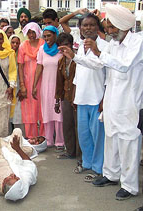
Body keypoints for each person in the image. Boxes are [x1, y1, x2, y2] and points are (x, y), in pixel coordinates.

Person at [68, 4, 143, 200]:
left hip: (129, 103)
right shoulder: (114, 44)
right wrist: (75, 57)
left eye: (110, 27)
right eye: (108, 27)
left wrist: (100, 53)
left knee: (128, 143)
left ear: (121, 25)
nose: (107, 31)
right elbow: (98, 64)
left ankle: (129, 185)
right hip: (111, 100)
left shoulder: (137, 42)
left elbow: (124, 66)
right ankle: (111, 174)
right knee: (111, 138)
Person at [58, 13, 106, 182]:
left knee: (97, 135)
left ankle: (99, 168)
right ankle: (87, 162)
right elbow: (79, 75)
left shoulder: (104, 47)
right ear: (80, 28)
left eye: (92, 25)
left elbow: (100, 67)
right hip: (82, 98)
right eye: (85, 25)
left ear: (97, 27)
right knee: (84, 134)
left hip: (96, 98)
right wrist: (74, 98)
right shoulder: (80, 48)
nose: (88, 28)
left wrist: (103, 100)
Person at [0, 129, 37, 201]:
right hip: (12, 156)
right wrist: (18, 149)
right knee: (17, 131)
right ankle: (3, 143)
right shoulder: (24, 181)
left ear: (3, 182)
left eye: (11, 177)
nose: (14, 175)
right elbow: (29, 164)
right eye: (17, 178)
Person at [32, 26, 64, 152]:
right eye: (44, 36)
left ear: (55, 35)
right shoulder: (42, 50)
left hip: (58, 86)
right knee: (47, 112)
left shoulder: (61, 50)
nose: (47, 39)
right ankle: (49, 139)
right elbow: (39, 67)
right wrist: (34, 86)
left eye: (49, 36)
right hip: (46, 85)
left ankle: (60, 141)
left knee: (59, 112)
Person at [55, 33, 81, 160]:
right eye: (61, 46)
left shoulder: (78, 59)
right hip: (65, 96)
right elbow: (59, 82)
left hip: (78, 96)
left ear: (71, 45)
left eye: (66, 45)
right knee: (67, 125)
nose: (64, 48)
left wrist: (76, 96)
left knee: (79, 126)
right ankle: (70, 151)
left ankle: (81, 154)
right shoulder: (61, 61)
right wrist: (57, 100)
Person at [17, 22, 45, 139]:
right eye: (29, 32)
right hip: (27, 82)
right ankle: (31, 136)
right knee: (29, 109)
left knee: (42, 108)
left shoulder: (43, 44)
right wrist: (22, 85)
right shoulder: (23, 46)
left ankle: (44, 136)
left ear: (38, 32)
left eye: (33, 32)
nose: (31, 35)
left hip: (42, 81)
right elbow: (20, 66)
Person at [9, 35, 25, 136]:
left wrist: (22, 87)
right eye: (13, 42)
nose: (15, 45)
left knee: (18, 114)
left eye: (17, 43)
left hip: (19, 86)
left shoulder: (22, 55)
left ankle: (20, 136)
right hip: (9, 88)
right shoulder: (6, 55)